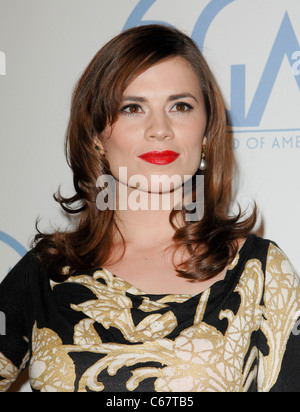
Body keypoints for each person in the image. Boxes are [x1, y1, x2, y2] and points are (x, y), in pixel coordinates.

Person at [0, 25, 299, 393]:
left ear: (206, 133)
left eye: (180, 106)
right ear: (95, 137)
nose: (160, 129)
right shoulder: (44, 274)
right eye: (132, 108)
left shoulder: (261, 273)